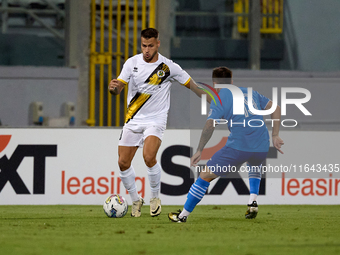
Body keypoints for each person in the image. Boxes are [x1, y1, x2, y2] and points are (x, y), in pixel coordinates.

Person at [108, 28, 209, 217]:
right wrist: (113, 88)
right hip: (133, 118)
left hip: (156, 119)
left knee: (148, 156)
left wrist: (214, 101)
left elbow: (194, 87)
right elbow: (119, 86)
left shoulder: (168, 67)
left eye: (150, 46)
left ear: (158, 44)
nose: (146, 50)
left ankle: (155, 197)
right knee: (122, 162)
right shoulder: (132, 63)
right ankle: (136, 200)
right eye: (143, 46)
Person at [168, 66, 284, 222]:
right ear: (232, 81)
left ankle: (182, 216)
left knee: (204, 176)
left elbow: (210, 125)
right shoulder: (251, 93)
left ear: (214, 84)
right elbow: (276, 108)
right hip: (263, 145)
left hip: (239, 146)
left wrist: (200, 150)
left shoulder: (220, 98)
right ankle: (253, 200)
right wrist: (275, 134)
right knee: (254, 164)